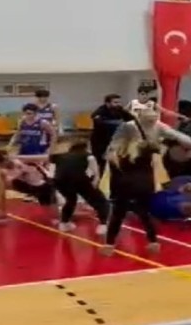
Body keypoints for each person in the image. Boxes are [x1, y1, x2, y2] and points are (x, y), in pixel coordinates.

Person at [102, 123, 162, 256]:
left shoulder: (114, 151)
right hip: (143, 185)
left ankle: (109, 245)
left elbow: (114, 174)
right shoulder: (145, 146)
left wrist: (113, 191)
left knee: (117, 216)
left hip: (123, 185)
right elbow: (157, 150)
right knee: (144, 214)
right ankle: (153, 242)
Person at [48, 139, 109, 234]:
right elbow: (96, 172)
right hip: (78, 179)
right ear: (86, 147)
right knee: (100, 201)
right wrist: (94, 183)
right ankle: (103, 224)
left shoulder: (61, 156)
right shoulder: (88, 155)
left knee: (71, 199)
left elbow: (48, 161)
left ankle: (64, 223)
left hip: (59, 181)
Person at [0, 150, 58, 224]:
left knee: (54, 218)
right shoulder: (4, 167)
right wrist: (1, 175)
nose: (0, 166)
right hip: (27, 185)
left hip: (43, 187)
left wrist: (3, 175)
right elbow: (3, 182)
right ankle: (0, 214)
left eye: (0, 164)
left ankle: (60, 207)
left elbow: (13, 177)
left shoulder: (20, 162)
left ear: (6, 159)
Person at [90, 94, 135, 177]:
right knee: (101, 163)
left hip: (116, 140)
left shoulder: (120, 110)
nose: (118, 104)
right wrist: (118, 123)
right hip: (101, 141)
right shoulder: (100, 111)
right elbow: (98, 121)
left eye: (119, 102)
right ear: (107, 103)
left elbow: (132, 120)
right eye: (115, 102)